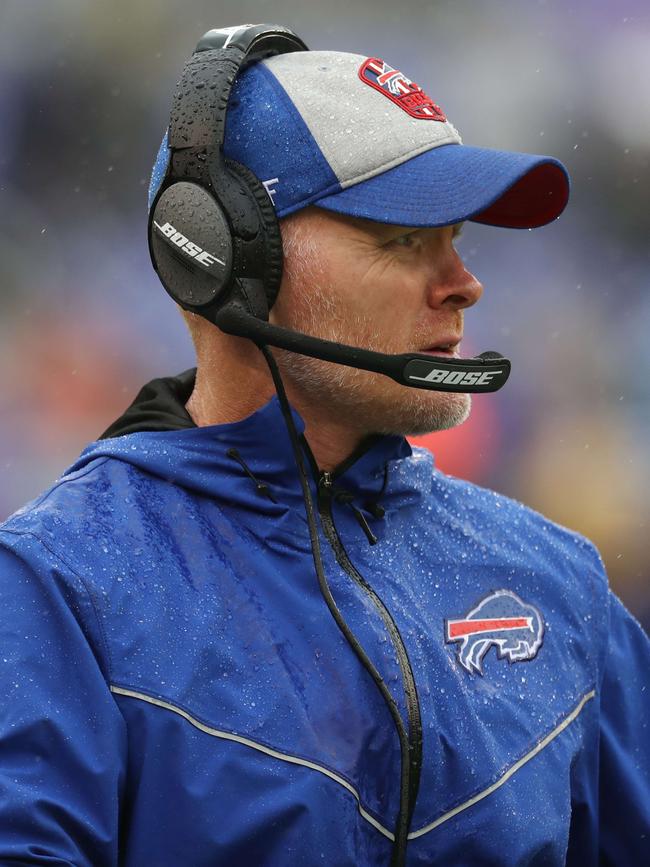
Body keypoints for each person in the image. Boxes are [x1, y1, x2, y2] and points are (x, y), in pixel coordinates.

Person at [1, 25, 648, 867]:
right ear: (229, 258)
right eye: (403, 239)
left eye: (457, 237)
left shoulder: (559, 581)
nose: (464, 284)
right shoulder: (57, 588)